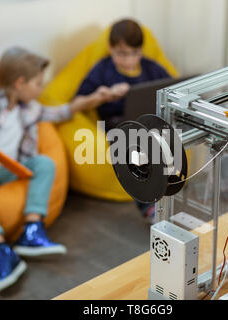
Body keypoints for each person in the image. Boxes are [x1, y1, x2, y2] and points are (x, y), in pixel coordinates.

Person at [0, 47, 103, 293]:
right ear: (20, 82)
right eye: (38, 83)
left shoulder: (31, 108)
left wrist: (94, 98)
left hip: (14, 167)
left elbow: (62, 113)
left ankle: (32, 229)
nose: (41, 89)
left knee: (45, 163)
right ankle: (1, 249)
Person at [73, 18, 171, 223]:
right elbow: (78, 101)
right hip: (117, 124)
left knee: (165, 138)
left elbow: (171, 88)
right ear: (110, 48)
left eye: (134, 53)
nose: (128, 60)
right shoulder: (103, 70)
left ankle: (168, 194)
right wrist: (103, 95)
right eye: (122, 54)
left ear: (141, 51)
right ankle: (149, 205)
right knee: (133, 145)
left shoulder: (151, 68)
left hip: (148, 119)